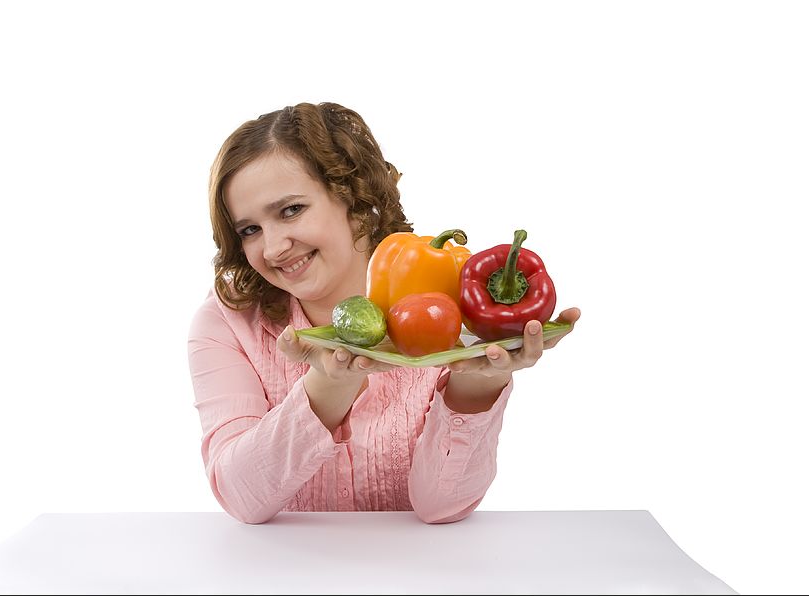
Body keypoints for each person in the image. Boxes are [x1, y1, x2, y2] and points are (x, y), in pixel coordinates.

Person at [187, 102, 580, 525]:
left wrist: (479, 381)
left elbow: (440, 507)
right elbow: (243, 497)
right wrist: (330, 384)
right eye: (249, 229)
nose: (273, 247)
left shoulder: (451, 304)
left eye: (291, 210)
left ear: (353, 199)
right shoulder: (227, 322)